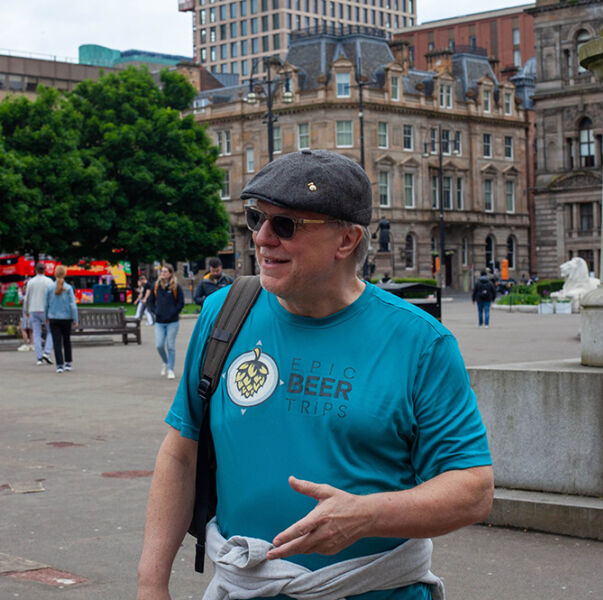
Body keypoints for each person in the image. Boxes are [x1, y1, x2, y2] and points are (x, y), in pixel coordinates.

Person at [137, 150, 493, 600]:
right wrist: (151, 583)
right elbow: (179, 455)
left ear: (346, 240)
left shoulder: (420, 342)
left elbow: (473, 489)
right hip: (244, 588)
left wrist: (369, 515)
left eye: (285, 225)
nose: (262, 238)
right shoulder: (223, 315)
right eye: (255, 218)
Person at [148, 263, 184, 380]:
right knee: (159, 345)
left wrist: (174, 311)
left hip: (172, 321)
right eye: (161, 271)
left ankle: (171, 369)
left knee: (170, 345)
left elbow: (180, 303)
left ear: (170, 273)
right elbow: (150, 302)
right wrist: (155, 311)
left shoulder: (176, 287)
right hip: (159, 321)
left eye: (165, 271)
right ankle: (166, 361)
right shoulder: (156, 286)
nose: (163, 273)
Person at [45, 265, 78, 373]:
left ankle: (59, 365)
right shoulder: (68, 288)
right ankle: (68, 363)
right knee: (67, 341)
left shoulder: (49, 288)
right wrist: (75, 319)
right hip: (66, 318)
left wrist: (46, 316)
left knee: (57, 342)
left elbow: (46, 304)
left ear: (55, 274)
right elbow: (73, 305)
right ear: (65, 274)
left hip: (54, 318)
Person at [24, 262, 54, 366]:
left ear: (36, 270)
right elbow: (52, 297)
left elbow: (26, 298)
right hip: (45, 310)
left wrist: (26, 310)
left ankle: (39, 358)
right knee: (51, 331)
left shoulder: (31, 282)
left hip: (33, 309)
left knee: (36, 333)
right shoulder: (49, 281)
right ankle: (47, 352)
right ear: (45, 270)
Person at [17, 280, 34, 352]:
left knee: (23, 329)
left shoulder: (27, 295)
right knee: (31, 330)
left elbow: (21, 298)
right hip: (32, 314)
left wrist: (19, 292)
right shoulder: (33, 294)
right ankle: (32, 345)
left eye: (24, 286)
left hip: (27, 314)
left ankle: (26, 344)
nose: (23, 287)